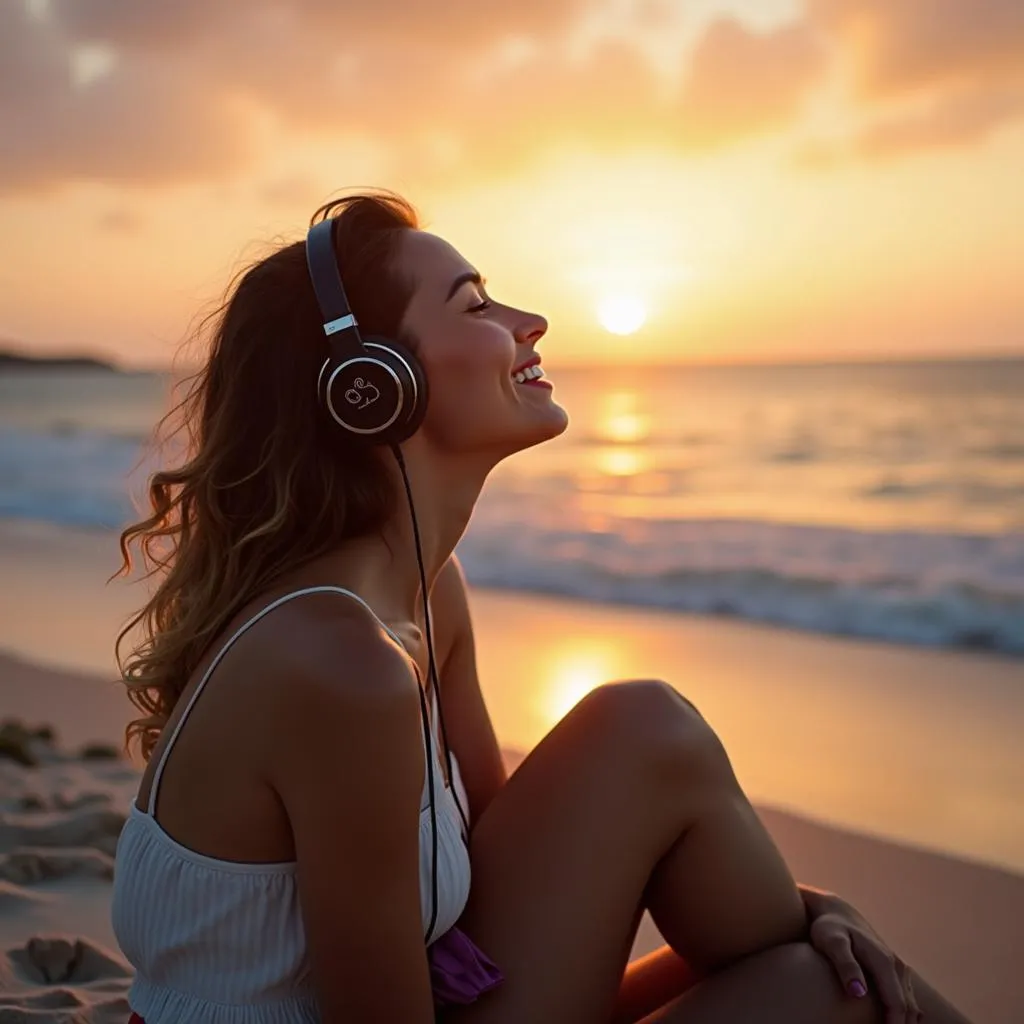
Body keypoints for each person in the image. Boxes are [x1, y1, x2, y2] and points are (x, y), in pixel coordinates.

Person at [110, 190, 971, 1023]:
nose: (531, 321)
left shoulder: (424, 596)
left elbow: (495, 882)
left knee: (649, 734)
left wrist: (815, 907)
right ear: (371, 383)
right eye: (475, 304)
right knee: (819, 986)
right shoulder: (344, 668)